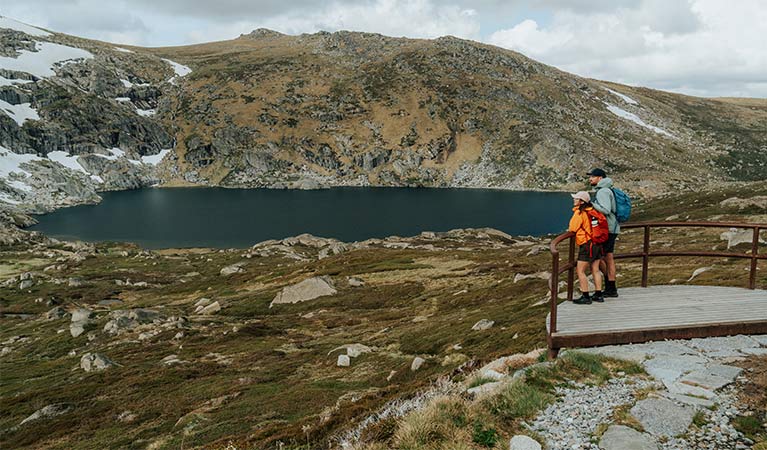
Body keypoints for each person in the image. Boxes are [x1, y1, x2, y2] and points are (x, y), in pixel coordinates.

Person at [587, 168, 619, 297]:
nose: (590, 179)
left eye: (592, 177)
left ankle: (608, 288)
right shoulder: (608, 189)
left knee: (598, 257)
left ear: (600, 178)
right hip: (612, 228)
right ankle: (611, 288)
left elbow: (606, 210)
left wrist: (591, 204)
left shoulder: (603, 191)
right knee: (608, 258)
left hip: (607, 229)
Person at [568, 191, 604, 304]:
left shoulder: (580, 213)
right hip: (597, 243)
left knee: (580, 270)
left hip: (587, 244)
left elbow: (572, 228)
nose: (574, 200)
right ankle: (598, 295)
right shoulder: (593, 211)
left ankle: (585, 296)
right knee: (595, 269)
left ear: (581, 201)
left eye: (576, 198)